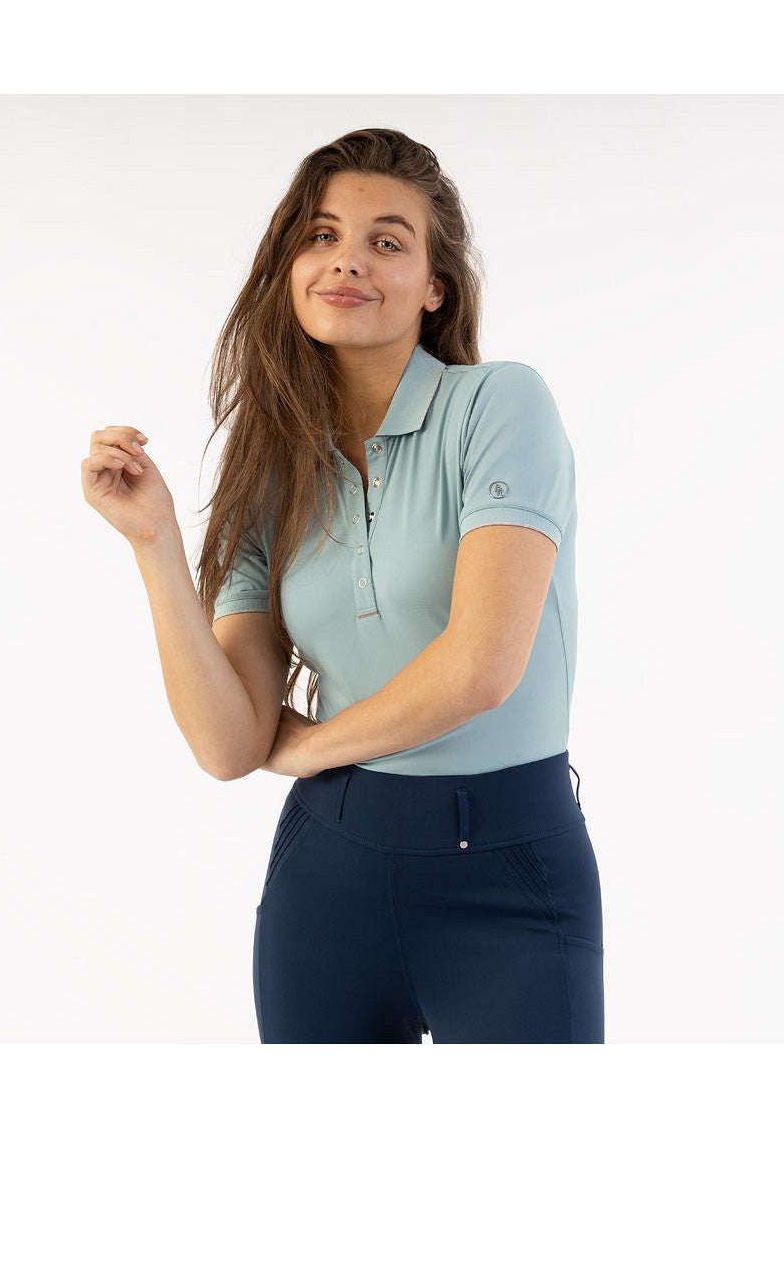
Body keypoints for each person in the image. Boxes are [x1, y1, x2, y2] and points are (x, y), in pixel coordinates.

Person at [81, 127, 603, 1042]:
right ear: (290, 268)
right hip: (329, 880)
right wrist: (156, 543)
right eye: (321, 236)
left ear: (435, 287)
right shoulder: (269, 473)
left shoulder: (500, 406)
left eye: (386, 241)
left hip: (511, 874)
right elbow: (229, 744)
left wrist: (312, 747)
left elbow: (481, 668)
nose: (347, 260)